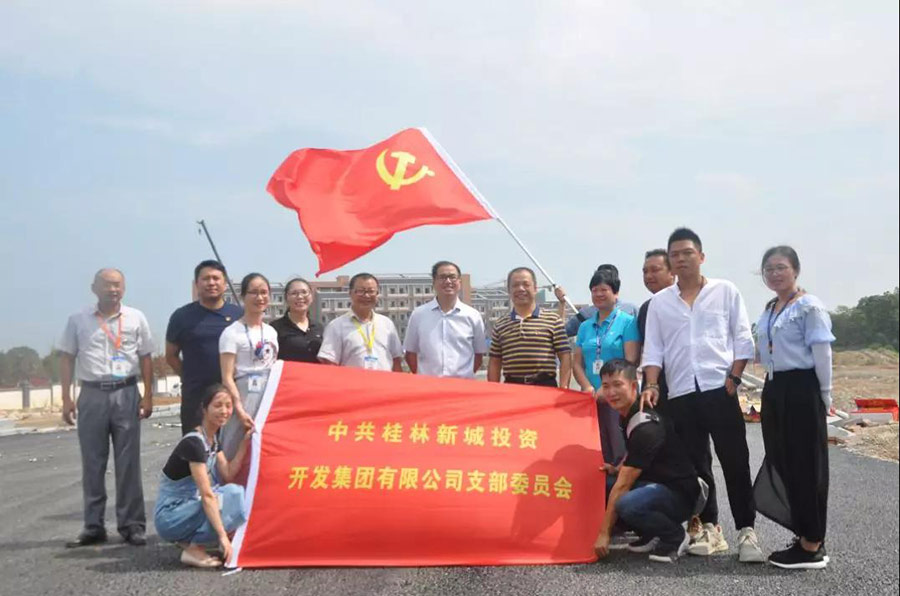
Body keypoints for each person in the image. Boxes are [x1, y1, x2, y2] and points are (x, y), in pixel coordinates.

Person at [641, 227, 764, 563]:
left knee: (735, 461)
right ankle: (711, 528)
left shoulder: (725, 291)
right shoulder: (660, 303)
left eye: (687, 253)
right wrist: (652, 384)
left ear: (701, 256)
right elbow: (654, 349)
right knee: (697, 465)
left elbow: (742, 337)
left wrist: (735, 376)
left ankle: (747, 531)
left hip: (719, 389)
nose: (681, 259)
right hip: (682, 391)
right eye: (675, 255)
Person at [58, 268, 154, 547]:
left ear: (124, 288)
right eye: (107, 285)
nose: (113, 289)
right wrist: (66, 398)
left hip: (126, 392)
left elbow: (146, 357)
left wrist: (148, 395)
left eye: (118, 285)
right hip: (92, 394)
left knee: (128, 462)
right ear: (94, 288)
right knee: (92, 463)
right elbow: (66, 358)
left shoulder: (136, 317)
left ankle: (132, 525)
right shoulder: (77, 320)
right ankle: (93, 526)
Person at [753, 246, 834, 569]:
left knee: (805, 463)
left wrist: (824, 395)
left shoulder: (809, 306)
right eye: (769, 269)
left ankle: (812, 543)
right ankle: (803, 532)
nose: (774, 274)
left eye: (781, 267)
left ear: (795, 270)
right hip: (775, 388)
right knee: (783, 458)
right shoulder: (770, 308)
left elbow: (822, 353)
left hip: (802, 388)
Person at [594, 360, 703, 564]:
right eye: (606, 386)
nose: (611, 392)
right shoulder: (628, 413)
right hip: (655, 484)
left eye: (618, 385)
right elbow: (634, 454)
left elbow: (623, 486)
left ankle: (675, 536)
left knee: (626, 503)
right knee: (603, 481)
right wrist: (616, 469)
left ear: (633, 386)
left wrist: (603, 533)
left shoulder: (646, 426)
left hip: (679, 493)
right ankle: (650, 532)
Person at [154, 384, 249, 568]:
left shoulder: (213, 440)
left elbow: (228, 473)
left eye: (228, 406)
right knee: (231, 495)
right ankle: (193, 548)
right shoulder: (194, 443)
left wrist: (244, 443)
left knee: (235, 495)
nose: (224, 411)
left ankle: (193, 545)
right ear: (204, 409)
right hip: (171, 514)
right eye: (218, 405)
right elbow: (206, 495)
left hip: (188, 507)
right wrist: (223, 537)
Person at [572, 267, 640, 466]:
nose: (599, 294)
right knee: (596, 449)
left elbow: (631, 360)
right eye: (594, 290)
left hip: (619, 397)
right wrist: (587, 386)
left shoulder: (627, 322)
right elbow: (577, 363)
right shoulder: (585, 327)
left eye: (604, 290)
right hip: (591, 398)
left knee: (620, 449)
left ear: (615, 293)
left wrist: (607, 389)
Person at [166, 260, 243, 434]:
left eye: (216, 278)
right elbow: (171, 356)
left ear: (225, 283)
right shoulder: (181, 316)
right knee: (197, 445)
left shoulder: (238, 315)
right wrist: (188, 376)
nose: (211, 283)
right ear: (197, 284)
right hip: (196, 397)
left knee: (232, 444)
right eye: (206, 279)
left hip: (232, 394)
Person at [219, 273, 279, 461]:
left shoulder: (271, 331)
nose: (259, 297)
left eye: (264, 292)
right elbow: (227, 376)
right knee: (235, 446)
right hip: (243, 395)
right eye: (253, 292)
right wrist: (239, 408)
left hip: (267, 395)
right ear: (243, 296)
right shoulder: (231, 333)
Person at [488, 267, 571, 387]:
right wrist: (493, 390)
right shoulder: (500, 325)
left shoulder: (553, 320)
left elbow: (565, 355)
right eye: (515, 285)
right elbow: (495, 362)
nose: (521, 289)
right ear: (509, 290)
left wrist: (564, 386)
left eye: (526, 284)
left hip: (545, 386)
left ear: (535, 288)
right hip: (513, 387)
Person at [404, 261, 487, 378]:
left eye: (452, 277)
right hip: (429, 384)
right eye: (442, 277)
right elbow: (410, 354)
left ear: (459, 282)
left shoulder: (473, 316)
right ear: (434, 282)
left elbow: (478, 355)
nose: (448, 281)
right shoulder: (419, 315)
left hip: (462, 385)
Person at [317, 273, 403, 371]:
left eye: (371, 291)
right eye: (361, 291)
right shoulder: (336, 326)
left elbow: (396, 360)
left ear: (377, 294)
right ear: (350, 293)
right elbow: (330, 364)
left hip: (385, 380)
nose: (366, 295)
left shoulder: (387, 324)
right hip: (352, 381)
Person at [636, 249, 676, 411]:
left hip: (685, 386)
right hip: (656, 388)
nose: (648, 276)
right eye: (645, 271)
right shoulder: (646, 309)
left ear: (672, 272)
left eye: (655, 270)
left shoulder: (686, 304)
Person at [554, 264, 639, 339]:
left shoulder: (631, 310)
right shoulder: (585, 315)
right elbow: (560, 334)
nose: (599, 294)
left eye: (604, 289)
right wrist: (562, 303)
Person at [271, 277, 324, 364]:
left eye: (304, 292)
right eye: (294, 293)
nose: (300, 297)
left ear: (311, 297)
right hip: (288, 372)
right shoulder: (275, 328)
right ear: (286, 298)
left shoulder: (319, 327)